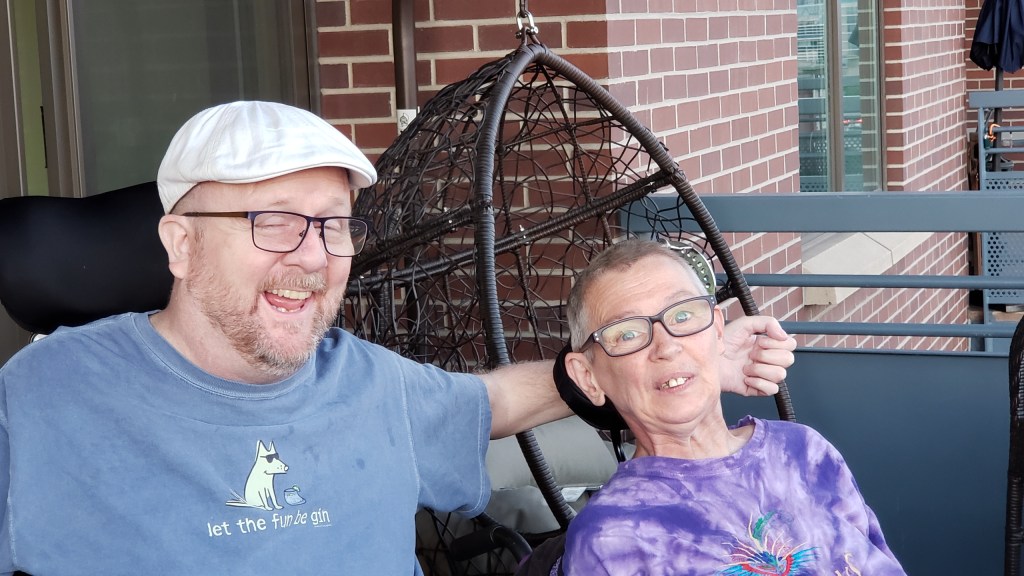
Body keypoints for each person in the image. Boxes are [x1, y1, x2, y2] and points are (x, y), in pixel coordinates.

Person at [0, 101, 794, 575]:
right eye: (272, 222)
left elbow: (498, 402)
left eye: (333, 226)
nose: (311, 257)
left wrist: (671, 358)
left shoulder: (369, 385)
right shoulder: (43, 400)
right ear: (178, 244)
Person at [556, 238, 905, 576]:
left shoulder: (805, 451)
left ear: (718, 331)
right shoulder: (612, 538)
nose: (667, 347)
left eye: (683, 316)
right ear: (587, 377)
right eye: (627, 333)